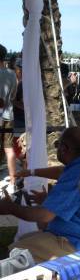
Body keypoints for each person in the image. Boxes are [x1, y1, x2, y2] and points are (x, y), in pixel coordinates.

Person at [0, 127, 80, 262]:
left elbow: (44, 216)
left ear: (64, 148)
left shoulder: (77, 172)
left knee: (15, 256)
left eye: (57, 145)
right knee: (25, 241)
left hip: (76, 244)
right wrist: (46, 200)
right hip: (74, 238)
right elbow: (61, 172)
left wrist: (10, 208)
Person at [0, 43, 18, 183]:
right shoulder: (12, 74)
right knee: (9, 148)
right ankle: (13, 180)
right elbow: (12, 97)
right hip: (9, 116)